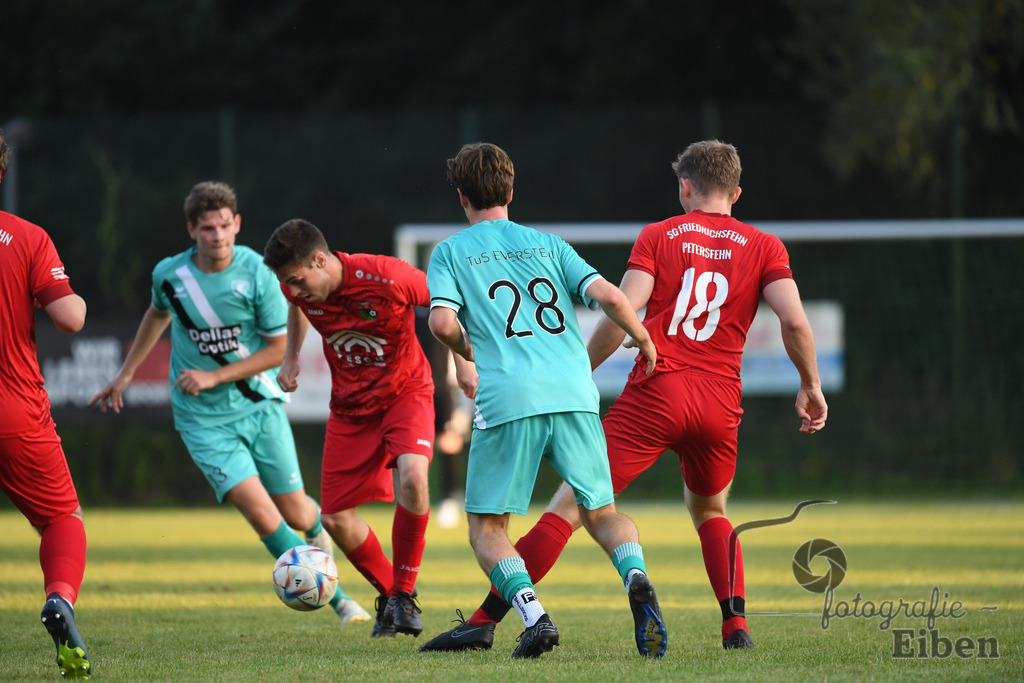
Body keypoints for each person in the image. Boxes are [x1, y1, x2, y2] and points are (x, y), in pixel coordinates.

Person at [420, 140, 829, 653]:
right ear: (737, 192)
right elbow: (792, 320)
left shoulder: (660, 235)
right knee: (710, 511)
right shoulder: (765, 246)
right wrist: (810, 385)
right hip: (720, 402)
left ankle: (488, 618)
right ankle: (735, 627)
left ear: (685, 186)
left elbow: (620, 310)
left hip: (654, 394)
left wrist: (582, 365)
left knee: (569, 508)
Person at [425, 142, 669, 659]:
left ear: (462, 198)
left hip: (510, 396)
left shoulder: (449, 251)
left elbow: (442, 322)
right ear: (511, 192)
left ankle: (535, 617)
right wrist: (644, 340)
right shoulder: (549, 244)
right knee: (602, 513)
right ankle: (636, 577)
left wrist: (466, 350)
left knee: (488, 529)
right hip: (576, 391)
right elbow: (611, 297)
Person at [89, 181, 369, 626]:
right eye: (206, 228)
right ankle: (339, 600)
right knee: (259, 512)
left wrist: (214, 375)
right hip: (202, 419)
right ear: (191, 230)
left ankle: (315, 530)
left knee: (295, 509)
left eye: (224, 226)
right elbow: (158, 313)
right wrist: (125, 374)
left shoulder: (259, 273)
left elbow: (278, 350)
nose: (217, 236)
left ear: (237, 224)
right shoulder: (170, 275)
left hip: (258, 405)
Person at [262, 219, 436, 639]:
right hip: (350, 408)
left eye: (299, 280)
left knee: (413, 474)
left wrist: (465, 361)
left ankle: (404, 594)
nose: (295, 290)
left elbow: (447, 302)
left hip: (404, 390)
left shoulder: (387, 276)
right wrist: (290, 357)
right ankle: (395, 599)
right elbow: (296, 304)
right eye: (288, 283)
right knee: (335, 519)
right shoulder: (297, 288)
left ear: (320, 260)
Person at [0, 129, 92, 678]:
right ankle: (59, 598)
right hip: (13, 407)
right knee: (61, 517)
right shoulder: (26, 237)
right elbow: (70, 318)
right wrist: (69, 294)